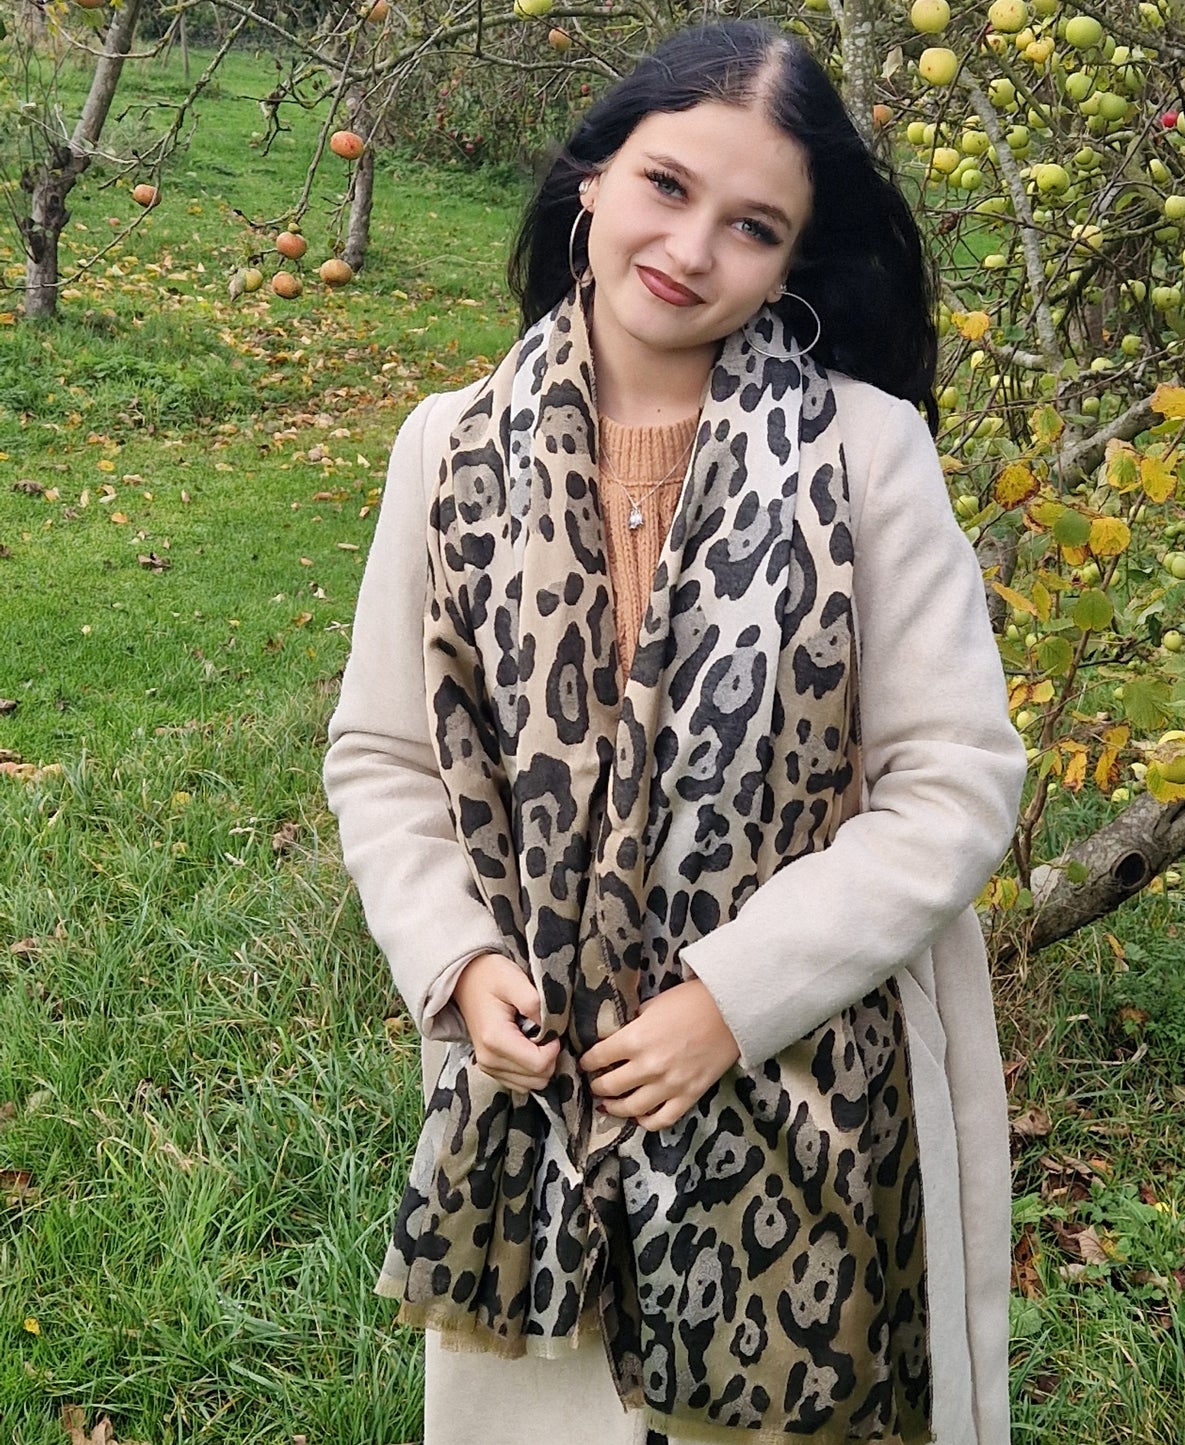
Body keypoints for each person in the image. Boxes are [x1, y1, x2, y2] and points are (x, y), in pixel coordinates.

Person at [324, 19, 1026, 1445]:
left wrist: (730, 998)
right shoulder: (447, 448)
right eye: (664, 185)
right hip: (533, 1096)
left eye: (751, 225)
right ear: (590, 176)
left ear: (791, 259)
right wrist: (456, 966)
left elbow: (952, 782)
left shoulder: (864, 449)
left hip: (808, 1086)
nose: (692, 247)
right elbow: (385, 758)